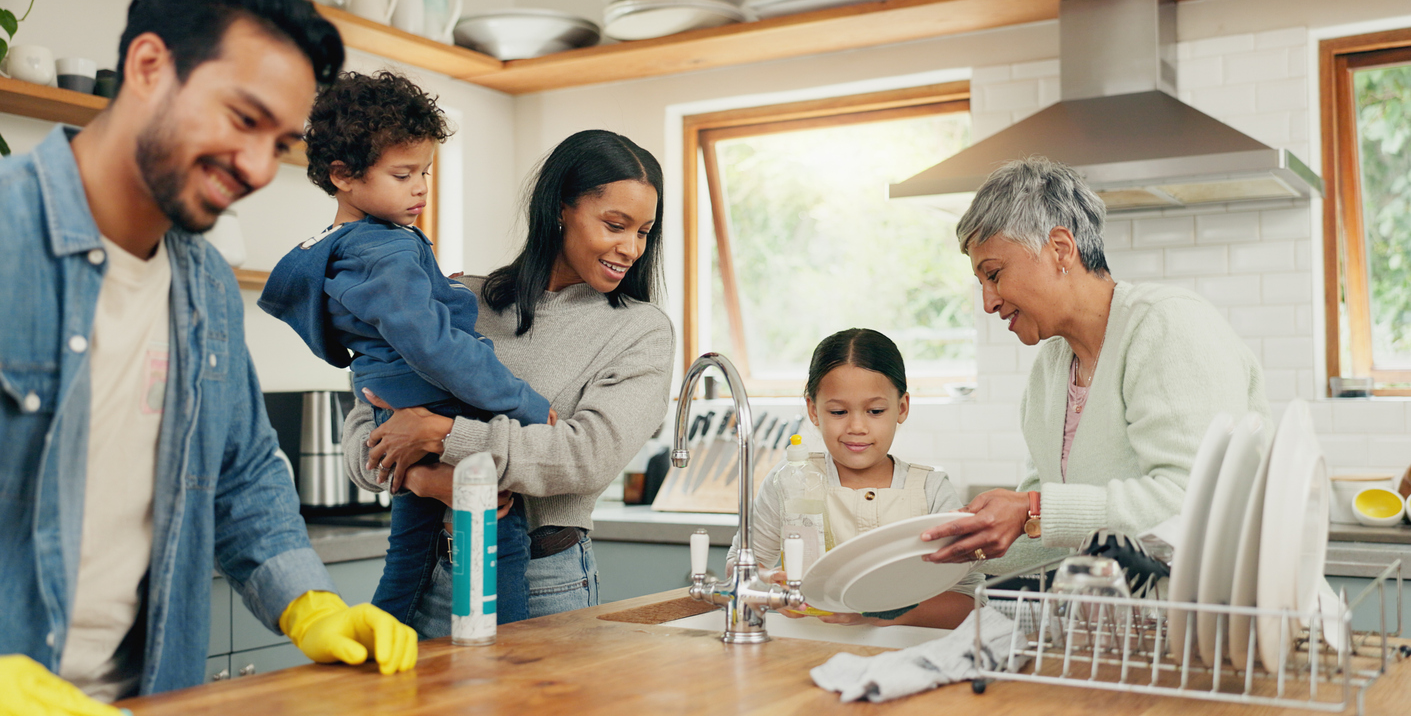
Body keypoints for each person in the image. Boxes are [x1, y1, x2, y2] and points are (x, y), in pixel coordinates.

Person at [0, 0, 417, 710]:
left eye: (280, 142)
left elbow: (240, 477)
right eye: (241, 118)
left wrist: (308, 603)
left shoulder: (207, 287)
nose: (258, 168)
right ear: (149, 67)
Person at [341, 130, 675, 632]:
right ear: (560, 209)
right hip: (426, 571)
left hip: (544, 583)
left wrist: (442, 436)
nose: (630, 248)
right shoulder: (456, 299)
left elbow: (584, 457)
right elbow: (369, 422)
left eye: (644, 232)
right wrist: (421, 479)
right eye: (614, 225)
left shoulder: (640, 330)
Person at [257, 71, 553, 634]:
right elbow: (436, 346)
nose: (420, 188)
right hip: (440, 404)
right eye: (403, 174)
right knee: (502, 534)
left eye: (425, 172)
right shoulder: (382, 252)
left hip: (398, 408)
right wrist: (526, 405)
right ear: (343, 176)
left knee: (409, 555)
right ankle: (512, 659)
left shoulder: (342, 247)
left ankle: (376, 650)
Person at [919, 157, 1269, 573]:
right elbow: (1046, 538)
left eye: (994, 274)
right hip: (1121, 625)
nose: (988, 301)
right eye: (981, 283)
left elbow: (1194, 499)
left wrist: (1033, 510)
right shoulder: (1051, 369)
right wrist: (943, 559)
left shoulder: (1167, 325)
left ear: (1060, 249)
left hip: (1227, 621)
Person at [726, 329, 982, 629]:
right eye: (838, 411)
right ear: (813, 410)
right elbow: (738, 569)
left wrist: (874, 614)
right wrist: (769, 582)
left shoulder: (930, 490)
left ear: (901, 408)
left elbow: (967, 601)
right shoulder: (789, 480)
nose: (856, 426)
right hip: (804, 655)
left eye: (875, 410)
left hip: (905, 660)